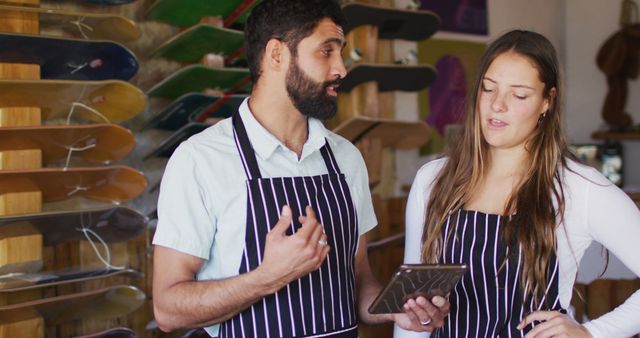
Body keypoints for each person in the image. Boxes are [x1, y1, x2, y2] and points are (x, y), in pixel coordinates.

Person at [152, 0, 450, 337]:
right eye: (326, 51)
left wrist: (394, 308)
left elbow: (357, 280)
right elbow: (167, 309)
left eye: (341, 52)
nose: (341, 69)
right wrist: (266, 277)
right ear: (276, 54)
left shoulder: (345, 158)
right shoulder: (200, 160)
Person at [395, 30, 640, 338]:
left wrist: (591, 333)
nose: (497, 105)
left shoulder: (579, 188)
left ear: (547, 102)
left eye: (519, 95)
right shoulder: (433, 179)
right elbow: (412, 310)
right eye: (488, 89)